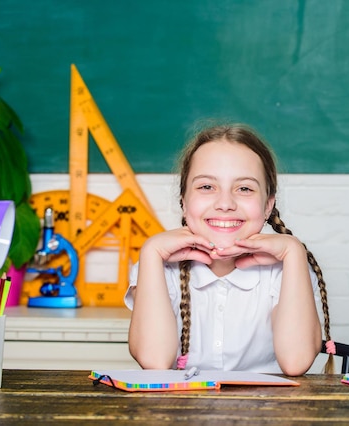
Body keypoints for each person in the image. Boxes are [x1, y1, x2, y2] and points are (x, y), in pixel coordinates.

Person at [125, 122, 335, 376]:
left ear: (268, 206)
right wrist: (150, 252)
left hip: (267, 414)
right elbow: (154, 361)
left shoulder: (286, 269)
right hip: (179, 413)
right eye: (206, 187)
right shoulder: (158, 268)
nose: (225, 203)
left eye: (244, 188)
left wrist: (294, 252)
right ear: (183, 201)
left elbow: (296, 361)